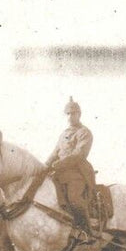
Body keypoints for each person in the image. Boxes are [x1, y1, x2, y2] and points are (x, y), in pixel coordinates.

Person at [45, 97, 96, 231]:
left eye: (73, 113)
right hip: (59, 172)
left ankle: (87, 232)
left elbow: (79, 155)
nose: (70, 116)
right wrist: (44, 166)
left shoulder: (84, 132)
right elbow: (55, 153)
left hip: (77, 173)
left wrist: (58, 164)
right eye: (68, 114)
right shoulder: (63, 135)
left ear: (79, 114)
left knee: (74, 200)